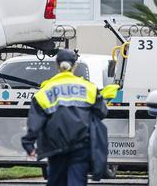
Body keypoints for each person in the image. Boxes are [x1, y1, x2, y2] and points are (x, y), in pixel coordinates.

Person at [21, 49, 109, 186]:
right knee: (77, 181)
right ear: (75, 66)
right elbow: (102, 112)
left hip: (54, 146)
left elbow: (35, 122)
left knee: (56, 181)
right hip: (81, 145)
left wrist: (28, 144)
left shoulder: (44, 91)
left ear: (57, 66)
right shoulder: (89, 88)